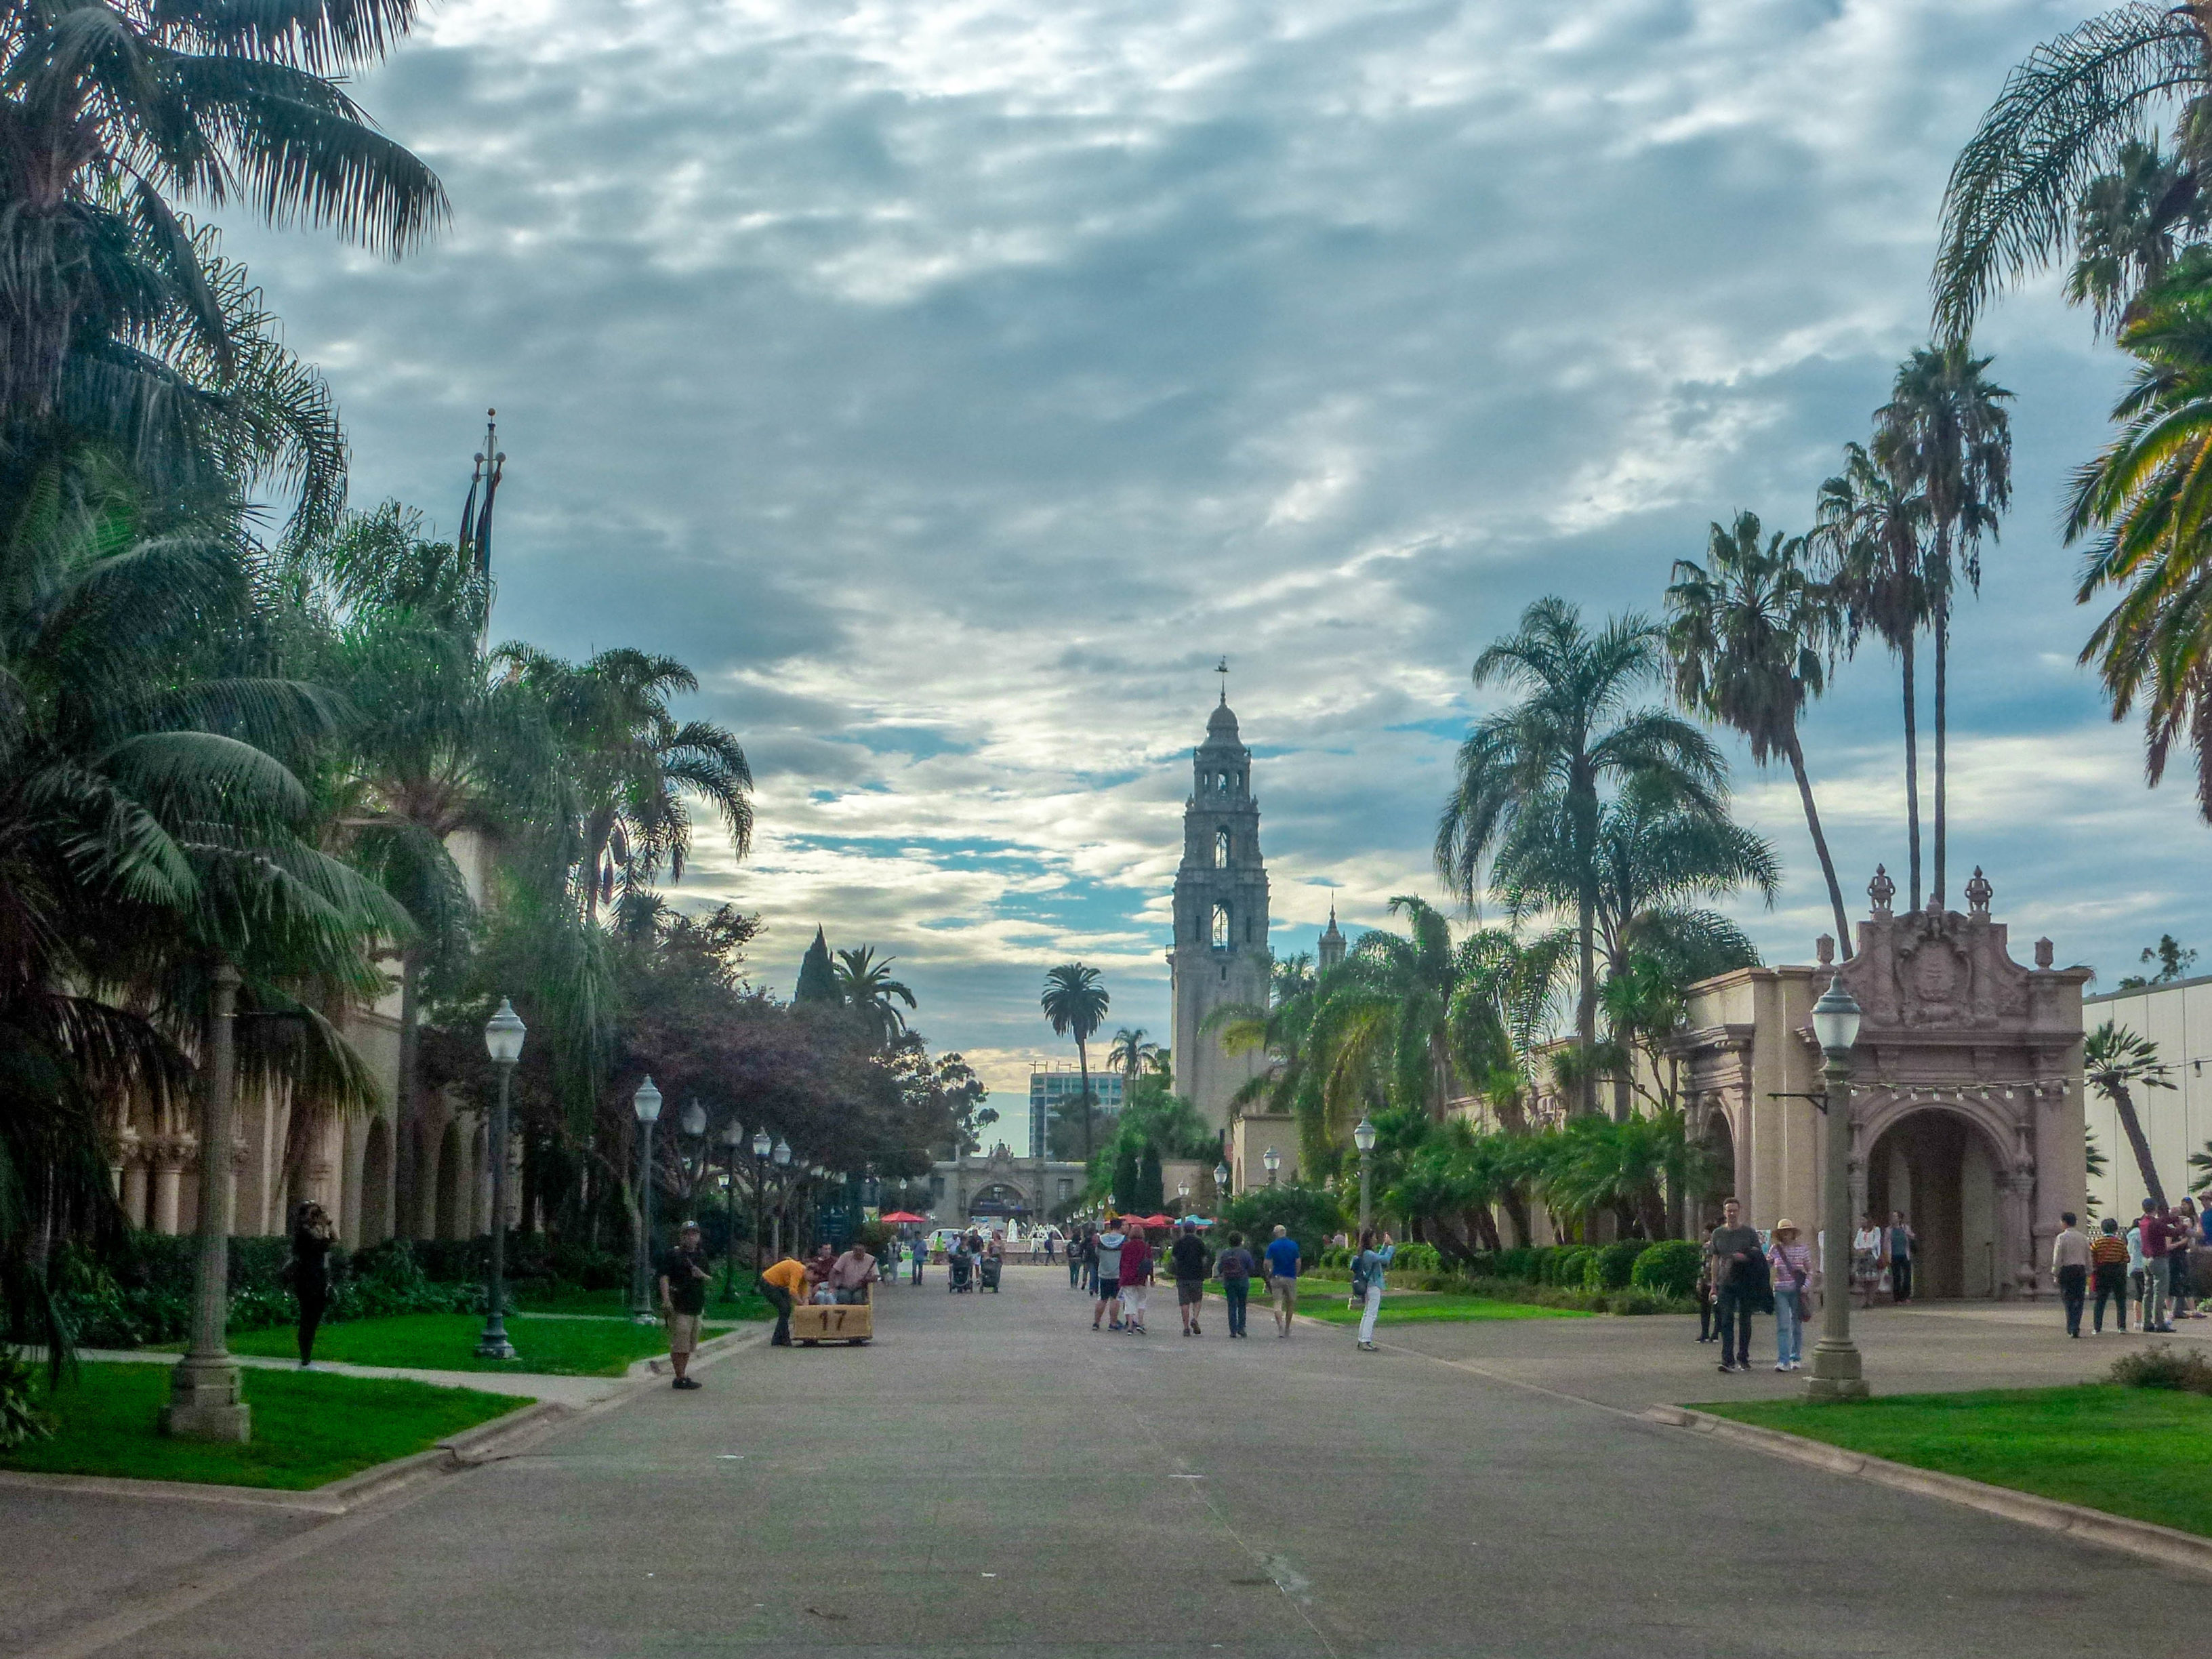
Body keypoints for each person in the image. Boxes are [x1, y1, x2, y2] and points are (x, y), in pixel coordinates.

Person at [1706, 1197, 1765, 1374]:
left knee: (1745, 1320)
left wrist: (1744, 1257)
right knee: (1726, 1319)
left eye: (1734, 1210)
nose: (1731, 1213)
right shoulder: (1718, 1234)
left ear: (1739, 1212)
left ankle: (1744, 1357)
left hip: (1745, 1280)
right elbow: (1715, 1260)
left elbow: (1757, 1256)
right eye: (1728, 1210)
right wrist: (1713, 1285)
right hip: (1726, 1282)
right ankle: (1727, 1359)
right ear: (1724, 1212)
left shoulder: (1749, 1233)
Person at [657, 1221, 714, 1388]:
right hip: (679, 1305)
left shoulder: (701, 1255)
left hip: (696, 1305)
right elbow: (664, 1277)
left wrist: (701, 1275)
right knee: (680, 1342)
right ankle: (680, 1376)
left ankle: (683, 1374)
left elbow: (710, 1279)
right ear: (682, 1237)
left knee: (689, 1344)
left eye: (695, 1234)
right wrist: (666, 1299)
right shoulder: (673, 1255)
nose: (692, 1237)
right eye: (688, 1234)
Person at [288, 1200, 335, 1370]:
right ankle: (305, 1360)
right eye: (313, 1214)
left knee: (313, 1320)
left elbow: (334, 1239)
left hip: (318, 1279)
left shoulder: (315, 1231)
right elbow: (323, 1244)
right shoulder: (304, 1233)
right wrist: (324, 1227)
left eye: (317, 1213)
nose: (316, 1217)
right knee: (307, 1319)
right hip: (308, 1280)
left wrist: (328, 1223)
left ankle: (307, 1358)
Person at [1767, 1219, 1811, 1372]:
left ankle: (1795, 1357)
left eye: (1788, 1232)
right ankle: (1783, 1360)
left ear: (1793, 1234)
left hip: (1797, 1291)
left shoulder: (1803, 1249)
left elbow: (1810, 1270)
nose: (1786, 1235)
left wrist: (1806, 1286)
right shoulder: (1775, 1249)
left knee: (1796, 1324)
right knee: (1783, 1326)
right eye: (1783, 1232)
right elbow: (1767, 1264)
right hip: (1780, 1290)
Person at [1351, 1228, 1395, 1352]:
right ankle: (1365, 1340)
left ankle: (1362, 1339)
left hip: (1368, 1285)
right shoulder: (1369, 1254)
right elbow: (1385, 1259)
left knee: (1367, 1313)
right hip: (1373, 1285)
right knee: (1371, 1314)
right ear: (1369, 1239)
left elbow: (1379, 1258)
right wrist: (1391, 1246)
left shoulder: (1365, 1253)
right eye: (1374, 1237)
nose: (1376, 1240)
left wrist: (1385, 1247)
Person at [2142, 1198, 2180, 1332]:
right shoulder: (2156, 1224)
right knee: (2160, 1291)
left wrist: (2171, 1218)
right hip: (2159, 1259)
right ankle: (2159, 1322)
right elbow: (2173, 1232)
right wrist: (2184, 1226)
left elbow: (2161, 1222)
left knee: (2148, 1292)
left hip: (2146, 1259)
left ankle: (2146, 1322)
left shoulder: (2143, 1222)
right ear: (2156, 1208)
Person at [2051, 1211, 2091, 1338]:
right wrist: (2089, 1271)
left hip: (2067, 1270)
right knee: (2079, 1300)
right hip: (2080, 1270)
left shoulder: (2061, 1238)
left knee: (2068, 1299)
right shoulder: (2083, 1237)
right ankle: (2076, 1326)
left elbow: (2058, 1257)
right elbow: (2088, 1256)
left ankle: (2071, 1326)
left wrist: (2055, 1272)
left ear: (2064, 1222)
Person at [1170, 1220, 1210, 1336]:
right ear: (1195, 1229)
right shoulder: (1199, 1242)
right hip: (1197, 1275)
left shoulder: (1179, 1243)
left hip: (1182, 1276)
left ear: (1184, 1230)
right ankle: (1195, 1318)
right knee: (1197, 1300)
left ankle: (1186, 1327)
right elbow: (1205, 1259)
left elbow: (1174, 1259)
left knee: (1184, 1303)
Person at [2091, 1215, 2131, 1333]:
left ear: (2102, 1229)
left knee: (2100, 1301)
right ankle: (2122, 1327)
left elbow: (2092, 1257)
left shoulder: (2097, 1242)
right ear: (2115, 1229)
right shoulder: (2120, 1243)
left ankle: (2097, 1327)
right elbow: (2127, 1258)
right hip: (2117, 1273)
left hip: (2102, 1273)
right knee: (2121, 1300)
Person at [759, 1253, 808, 1347]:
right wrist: (801, 1304)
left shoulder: (805, 1278)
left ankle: (780, 1338)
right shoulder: (798, 1270)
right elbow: (793, 1291)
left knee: (786, 1310)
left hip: (780, 1286)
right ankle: (782, 1339)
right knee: (785, 1309)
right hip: (768, 1282)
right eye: (813, 1278)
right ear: (810, 1272)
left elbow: (805, 1295)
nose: (811, 1281)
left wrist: (805, 1306)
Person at [1214, 1231, 1256, 1338]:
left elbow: (1220, 1268)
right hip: (1242, 1281)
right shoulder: (1245, 1253)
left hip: (1229, 1282)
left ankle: (1233, 1330)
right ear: (1240, 1241)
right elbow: (1251, 1267)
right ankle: (1241, 1328)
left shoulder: (1225, 1253)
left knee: (1232, 1305)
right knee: (1242, 1305)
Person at [1263, 1225, 1301, 1338]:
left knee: (1278, 1303)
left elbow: (1266, 1263)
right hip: (1290, 1277)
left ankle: (1280, 1327)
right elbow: (1298, 1262)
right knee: (1290, 1303)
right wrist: (1296, 1273)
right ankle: (1288, 1327)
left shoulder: (1273, 1246)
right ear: (1285, 1232)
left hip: (1277, 1277)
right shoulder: (1293, 1245)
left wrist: (1268, 1273)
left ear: (1276, 1233)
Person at [1119, 1223, 1155, 1334]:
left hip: (1128, 1277)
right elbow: (1150, 1263)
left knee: (1129, 1301)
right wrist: (1152, 1278)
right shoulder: (1146, 1246)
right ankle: (1140, 1322)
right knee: (1141, 1300)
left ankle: (1130, 1327)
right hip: (1141, 1277)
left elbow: (1122, 1262)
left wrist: (1121, 1277)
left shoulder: (1125, 1246)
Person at [1092, 1216, 1127, 1330]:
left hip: (1103, 1273)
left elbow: (1097, 1254)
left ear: (1110, 1226)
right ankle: (1113, 1323)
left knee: (1102, 1299)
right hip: (1117, 1274)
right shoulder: (1124, 1240)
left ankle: (1096, 1323)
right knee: (1115, 1299)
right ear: (1120, 1227)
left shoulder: (1101, 1240)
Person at [828, 1240, 878, 1305]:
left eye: (861, 1250)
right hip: (845, 1287)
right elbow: (833, 1271)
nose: (858, 1253)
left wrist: (867, 1280)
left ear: (865, 1250)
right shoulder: (845, 1256)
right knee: (843, 1297)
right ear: (853, 1250)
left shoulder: (871, 1260)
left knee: (858, 1297)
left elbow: (876, 1276)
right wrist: (831, 1287)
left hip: (861, 1288)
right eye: (856, 1250)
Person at [1851, 1212, 1884, 1310]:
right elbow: (1856, 1242)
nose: (1862, 1222)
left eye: (1864, 1220)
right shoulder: (1860, 1231)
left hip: (1871, 1256)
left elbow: (1877, 1241)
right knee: (1863, 1280)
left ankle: (1871, 1300)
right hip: (1862, 1256)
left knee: (1872, 1279)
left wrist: (1868, 1248)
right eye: (1861, 1220)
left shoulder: (1876, 1230)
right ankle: (1865, 1299)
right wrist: (1859, 1249)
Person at [1887, 1211, 1917, 1305]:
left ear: (1900, 1219)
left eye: (1895, 1216)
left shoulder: (1905, 1228)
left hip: (1905, 1255)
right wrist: (1887, 1256)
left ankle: (1906, 1296)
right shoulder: (1889, 1230)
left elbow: (1912, 1236)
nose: (1893, 1218)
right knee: (1897, 1277)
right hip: (1894, 1255)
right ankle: (1898, 1298)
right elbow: (1886, 1244)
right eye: (1893, 1216)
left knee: (1907, 1276)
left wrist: (1909, 1235)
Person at [2127, 1207, 2149, 1327]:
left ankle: (2137, 1320)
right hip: (2142, 1266)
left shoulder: (2129, 1235)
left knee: (2138, 1294)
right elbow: (2146, 1246)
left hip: (2132, 1267)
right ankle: (2145, 1319)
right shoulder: (2139, 1233)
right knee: (2145, 1293)